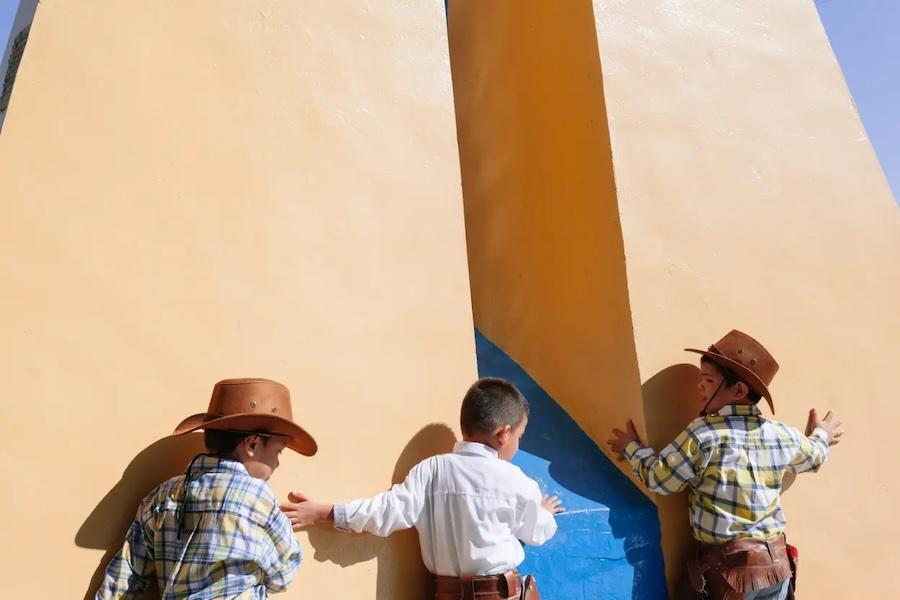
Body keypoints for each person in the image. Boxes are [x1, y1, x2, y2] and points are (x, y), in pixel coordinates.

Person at [608, 330, 843, 600]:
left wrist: (631, 448)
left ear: (739, 390)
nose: (700, 387)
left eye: (707, 380)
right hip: (777, 569)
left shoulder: (704, 434)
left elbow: (661, 479)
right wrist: (822, 434)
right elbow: (814, 457)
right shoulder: (782, 434)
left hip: (729, 576)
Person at [280, 377, 562, 600]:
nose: (518, 444)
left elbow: (383, 513)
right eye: (519, 436)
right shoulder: (516, 480)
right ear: (503, 434)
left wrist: (323, 512)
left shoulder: (431, 470)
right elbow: (537, 533)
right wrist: (544, 512)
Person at [96, 378, 317, 599]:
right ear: (252, 444)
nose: (277, 463)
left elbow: (125, 575)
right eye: (279, 452)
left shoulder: (163, 495)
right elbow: (283, 574)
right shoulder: (257, 497)